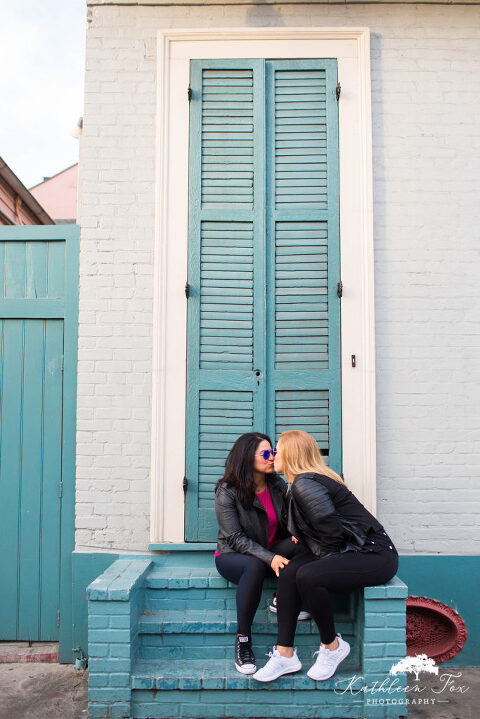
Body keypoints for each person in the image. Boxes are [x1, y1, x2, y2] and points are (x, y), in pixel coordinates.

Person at [253, 430, 399, 683]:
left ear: (292, 454)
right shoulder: (301, 483)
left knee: (309, 575)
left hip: (374, 553)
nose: (274, 455)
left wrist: (321, 569)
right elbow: (322, 533)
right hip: (349, 548)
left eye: (277, 449)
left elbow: (330, 531)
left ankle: (332, 647)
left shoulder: (305, 483)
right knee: (289, 571)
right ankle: (284, 654)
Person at [214, 432, 309, 675]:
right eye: (266, 454)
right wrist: (270, 558)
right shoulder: (228, 491)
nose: (272, 458)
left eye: (273, 452)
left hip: (269, 551)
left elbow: (288, 521)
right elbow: (235, 538)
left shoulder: (277, 485)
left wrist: (297, 533)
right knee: (254, 566)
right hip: (233, 556)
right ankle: (243, 639)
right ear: (247, 458)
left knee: (304, 543)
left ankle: (282, 597)